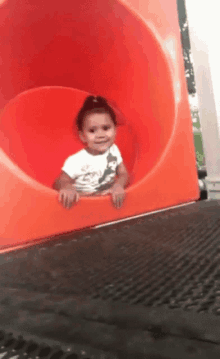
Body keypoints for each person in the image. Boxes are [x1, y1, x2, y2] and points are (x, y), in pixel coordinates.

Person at [53, 95, 129, 209]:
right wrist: (67, 187)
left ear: (115, 129)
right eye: (92, 130)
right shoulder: (76, 160)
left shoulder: (113, 149)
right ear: (83, 136)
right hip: (83, 205)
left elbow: (123, 173)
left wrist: (119, 185)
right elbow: (58, 182)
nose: (101, 135)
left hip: (105, 204)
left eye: (106, 128)